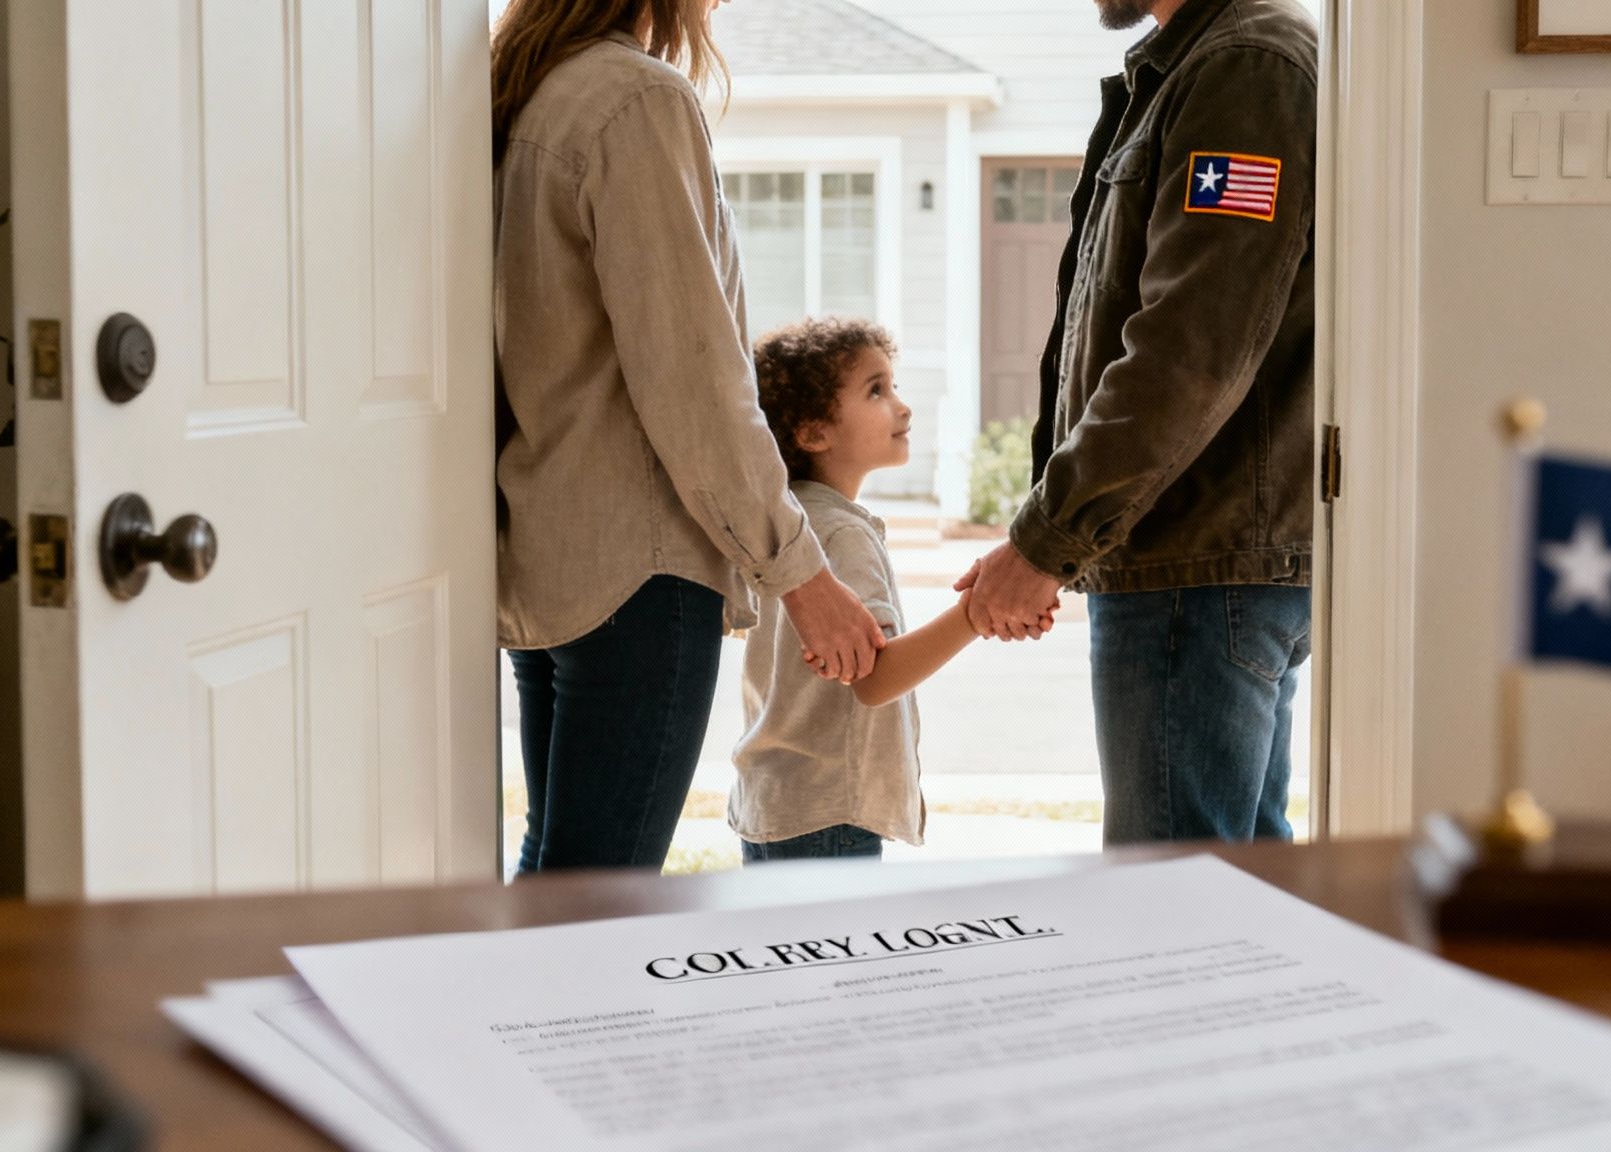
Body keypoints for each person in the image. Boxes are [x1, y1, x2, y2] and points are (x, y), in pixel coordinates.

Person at [490, 0, 886, 873]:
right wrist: (799, 570)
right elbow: (697, 381)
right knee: (604, 897)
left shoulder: (528, 91)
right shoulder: (636, 98)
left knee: (560, 875)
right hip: (638, 570)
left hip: (547, 556)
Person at [956, 0, 1317, 845]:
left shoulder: (1246, 66)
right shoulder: (1196, 64)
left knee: (1171, 905)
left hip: (1196, 566)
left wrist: (1048, 539)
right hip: (1202, 561)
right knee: (1231, 887)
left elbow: (1189, 351)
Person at [732, 319, 1032, 862]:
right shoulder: (842, 533)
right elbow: (875, 679)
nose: (903, 407)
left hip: (772, 805)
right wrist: (975, 614)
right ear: (813, 431)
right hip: (829, 815)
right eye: (876, 390)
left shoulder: (786, 524)